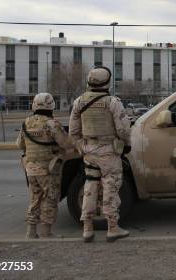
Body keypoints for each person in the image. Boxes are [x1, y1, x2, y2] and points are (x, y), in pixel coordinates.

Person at [69, 67, 131, 242]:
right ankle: (113, 228)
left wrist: (83, 146)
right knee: (111, 188)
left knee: (90, 187)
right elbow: (123, 129)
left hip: (89, 151)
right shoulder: (112, 102)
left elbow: (73, 132)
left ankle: (87, 228)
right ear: (107, 83)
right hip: (108, 152)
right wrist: (126, 144)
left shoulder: (79, 102)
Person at [17, 93, 71, 239]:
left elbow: (20, 145)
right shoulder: (52, 123)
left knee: (35, 198)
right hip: (48, 169)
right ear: (52, 106)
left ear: (34, 105)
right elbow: (66, 144)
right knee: (50, 198)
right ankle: (46, 232)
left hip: (30, 168)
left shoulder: (26, 123)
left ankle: (31, 231)